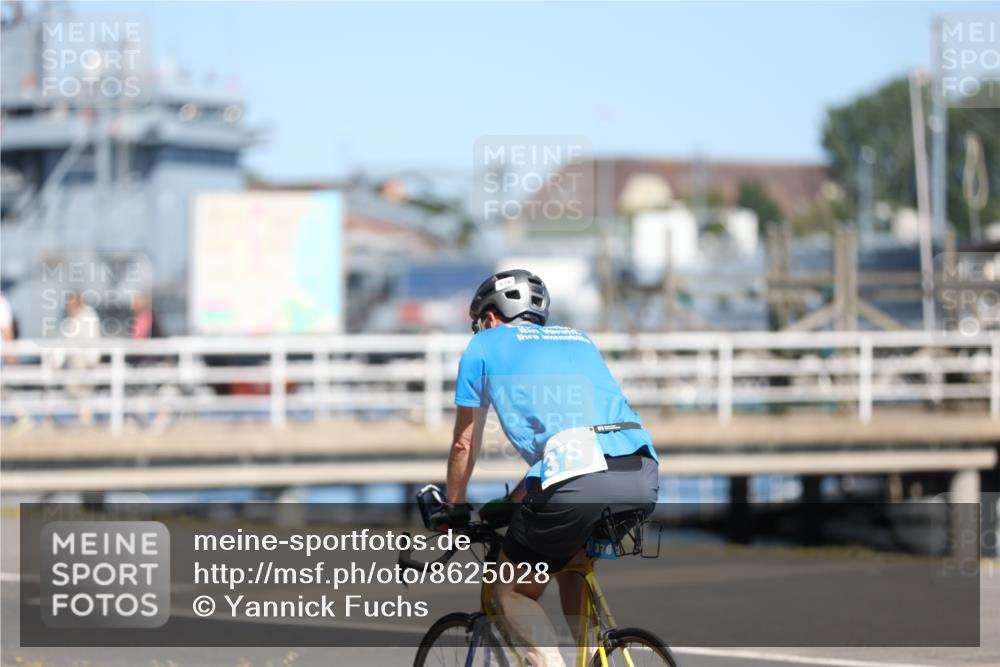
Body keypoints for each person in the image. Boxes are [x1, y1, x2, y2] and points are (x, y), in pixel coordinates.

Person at [445, 270, 659, 667]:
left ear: (491, 318)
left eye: (480, 323)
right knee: (570, 561)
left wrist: (454, 506)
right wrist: (514, 499)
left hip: (574, 481)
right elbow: (574, 444)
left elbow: (463, 443)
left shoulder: (484, 345)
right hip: (641, 470)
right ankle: (595, 657)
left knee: (509, 590)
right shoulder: (578, 338)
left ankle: (550, 662)